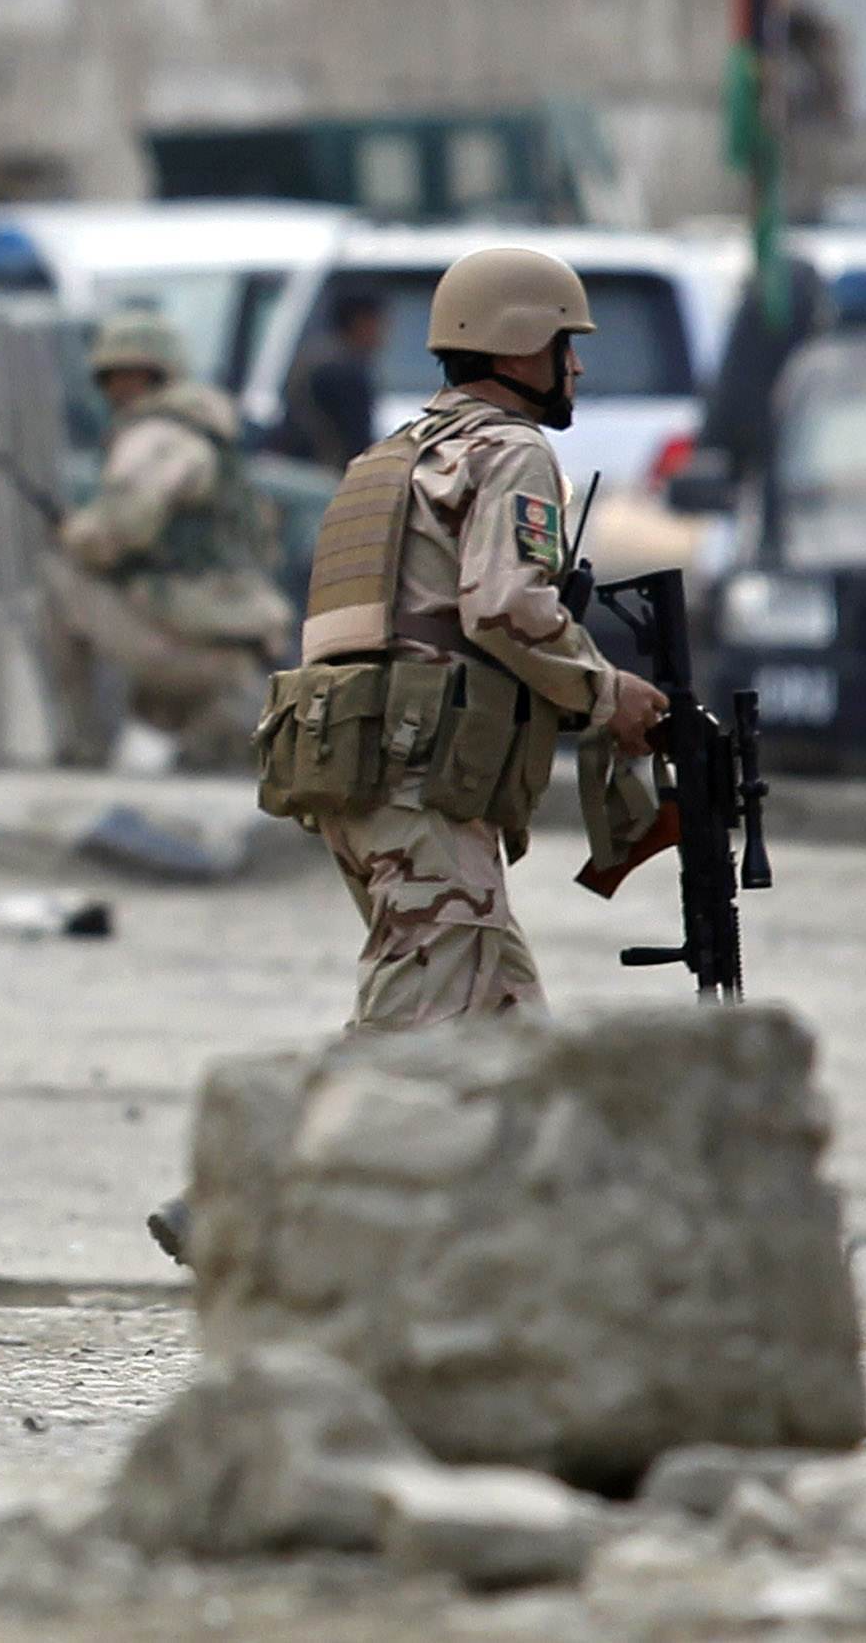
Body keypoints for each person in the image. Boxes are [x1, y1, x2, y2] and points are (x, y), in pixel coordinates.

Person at [153, 249, 669, 1267]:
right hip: (418, 774)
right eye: (565, 346)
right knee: (420, 1009)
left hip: (355, 762)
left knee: (505, 1031)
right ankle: (232, 1193)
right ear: (518, 346)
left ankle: (540, 1261)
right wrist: (608, 693)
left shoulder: (395, 454)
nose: (574, 368)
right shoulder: (508, 452)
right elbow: (503, 607)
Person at [43, 310, 289, 771]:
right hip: (244, 636)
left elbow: (117, 532)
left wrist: (72, 532)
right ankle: (186, 735)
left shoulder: (156, 435)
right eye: (111, 378)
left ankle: (80, 744)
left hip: (198, 646)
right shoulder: (213, 435)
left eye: (125, 377)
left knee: (57, 581)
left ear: (150, 376)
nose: (116, 390)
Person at [271, 288, 390, 470]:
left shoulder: (314, 356)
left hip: (295, 466)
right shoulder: (346, 371)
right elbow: (356, 440)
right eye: (378, 324)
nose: (383, 334)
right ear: (360, 322)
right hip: (324, 472)